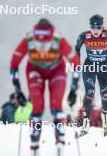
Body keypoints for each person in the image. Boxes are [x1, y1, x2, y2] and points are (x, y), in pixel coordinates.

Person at [10, 18, 80, 155]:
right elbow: (14, 64)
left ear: (51, 36)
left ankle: (60, 142)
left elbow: (76, 64)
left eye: (46, 42)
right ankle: (35, 144)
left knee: (56, 106)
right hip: (35, 70)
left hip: (56, 71)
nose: (42, 46)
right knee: (37, 106)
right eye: (39, 42)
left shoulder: (58, 40)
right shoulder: (29, 39)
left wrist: (73, 89)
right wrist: (18, 91)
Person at [74, 14, 107, 136]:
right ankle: (86, 121)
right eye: (93, 28)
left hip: (104, 67)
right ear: (90, 27)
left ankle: (105, 113)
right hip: (89, 66)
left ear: (102, 27)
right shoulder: (84, 35)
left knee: (105, 95)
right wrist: (77, 64)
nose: (96, 31)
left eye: (98, 28)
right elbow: (76, 49)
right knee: (89, 93)